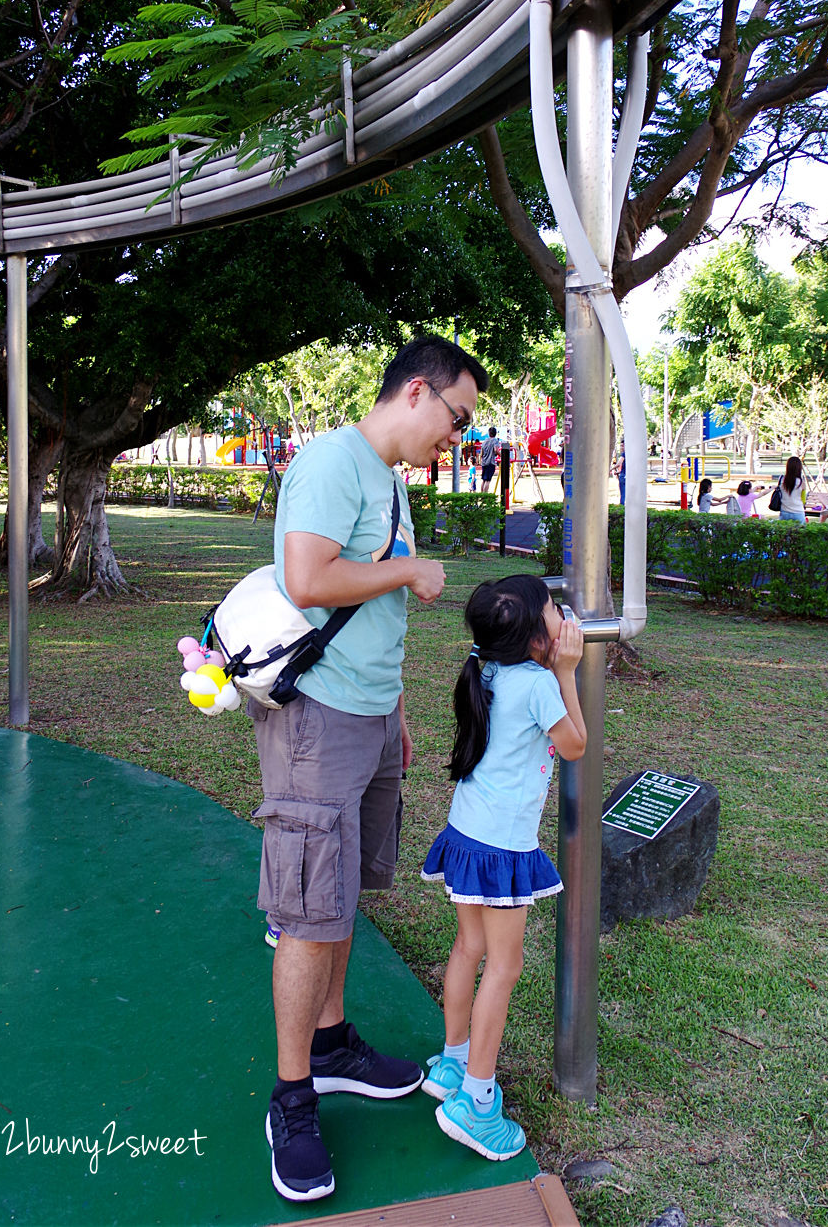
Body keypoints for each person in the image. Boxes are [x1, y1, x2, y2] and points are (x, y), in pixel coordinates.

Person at [251, 335, 488, 1204]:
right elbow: (308, 578)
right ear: (417, 392)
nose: (455, 439)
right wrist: (411, 567)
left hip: (367, 718)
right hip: (317, 722)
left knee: (342, 891)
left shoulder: (389, 481)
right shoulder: (330, 461)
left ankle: (332, 1041)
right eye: (455, 419)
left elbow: (370, 612)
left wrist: (394, 718)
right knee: (310, 907)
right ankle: (291, 1095)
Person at [419, 576, 587, 1161]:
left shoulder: (484, 668)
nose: (562, 616)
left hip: (466, 831)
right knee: (504, 967)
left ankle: (453, 1058)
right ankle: (477, 1100)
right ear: (538, 638)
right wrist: (567, 671)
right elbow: (575, 745)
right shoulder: (540, 684)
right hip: (503, 849)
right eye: (553, 611)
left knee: (469, 948)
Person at [777, 455, 808, 522]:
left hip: (784, 511)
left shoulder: (782, 479)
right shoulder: (801, 481)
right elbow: (803, 499)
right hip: (798, 511)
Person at [479, 427, 499, 492]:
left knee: (484, 480)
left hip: (484, 463)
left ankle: (481, 494)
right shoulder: (495, 441)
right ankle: (485, 495)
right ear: (495, 433)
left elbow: (481, 453)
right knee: (488, 480)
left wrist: (480, 461)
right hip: (490, 462)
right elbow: (496, 450)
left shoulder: (485, 441)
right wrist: (501, 455)